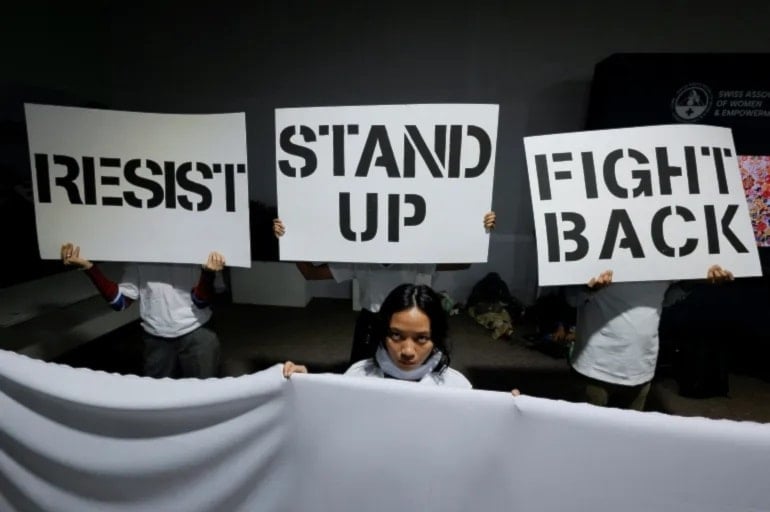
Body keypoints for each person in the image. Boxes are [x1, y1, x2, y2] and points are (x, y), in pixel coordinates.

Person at [273, 212, 496, 364]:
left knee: (417, 376)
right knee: (361, 378)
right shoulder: (360, 257)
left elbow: (465, 262)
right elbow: (311, 273)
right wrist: (288, 240)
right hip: (373, 323)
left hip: (413, 325)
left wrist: (480, 230)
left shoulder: (417, 256)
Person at [564, 265, 734, 410]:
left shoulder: (662, 254)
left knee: (628, 441)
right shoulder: (599, 250)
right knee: (589, 442)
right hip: (595, 368)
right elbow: (572, 299)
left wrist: (694, 282)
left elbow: (664, 300)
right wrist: (590, 288)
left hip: (642, 368)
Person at [60, 243, 225, 379]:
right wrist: (89, 268)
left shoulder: (201, 248)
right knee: (156, 403)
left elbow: (201, 301)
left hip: (198, 332)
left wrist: (208, 274)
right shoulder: (139, 255)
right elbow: (120, 302)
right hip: (156, 338)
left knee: (204, 396)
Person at [283, 283, 471, 388]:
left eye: (421, 338)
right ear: (383, 333)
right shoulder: (357, 376)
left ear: (436, 338)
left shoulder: (458, 387)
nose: (407, 351)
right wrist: (304, 385)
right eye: (396, 335)